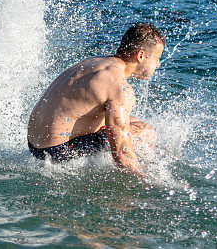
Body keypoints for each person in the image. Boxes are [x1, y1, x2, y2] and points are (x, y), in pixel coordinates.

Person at [27, 23, 165, 176]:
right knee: (145, 132)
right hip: (57, 153)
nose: (157, 64)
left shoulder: (95, 63)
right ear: (140, 56)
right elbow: (121, 153)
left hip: (34, 145)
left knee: (131, 121)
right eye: (157, 58)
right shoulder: (120, 88)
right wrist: (149, 183)